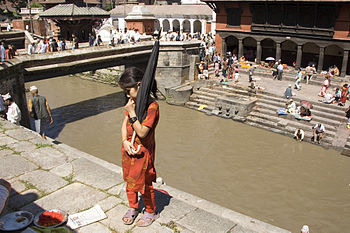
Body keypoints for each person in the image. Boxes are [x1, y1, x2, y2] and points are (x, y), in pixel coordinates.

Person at [119, 67, 159, 227]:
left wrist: (132, 112)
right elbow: (124, 123)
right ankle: (133, 207)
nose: (127, 96)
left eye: (129, 91)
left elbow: (142, 132)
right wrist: (124, 141)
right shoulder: (132, 103)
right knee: (129, 181)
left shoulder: (152, 108)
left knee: (145, 184)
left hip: (143, 153)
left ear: (140, 85)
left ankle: (150, 211)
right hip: (129, 149)